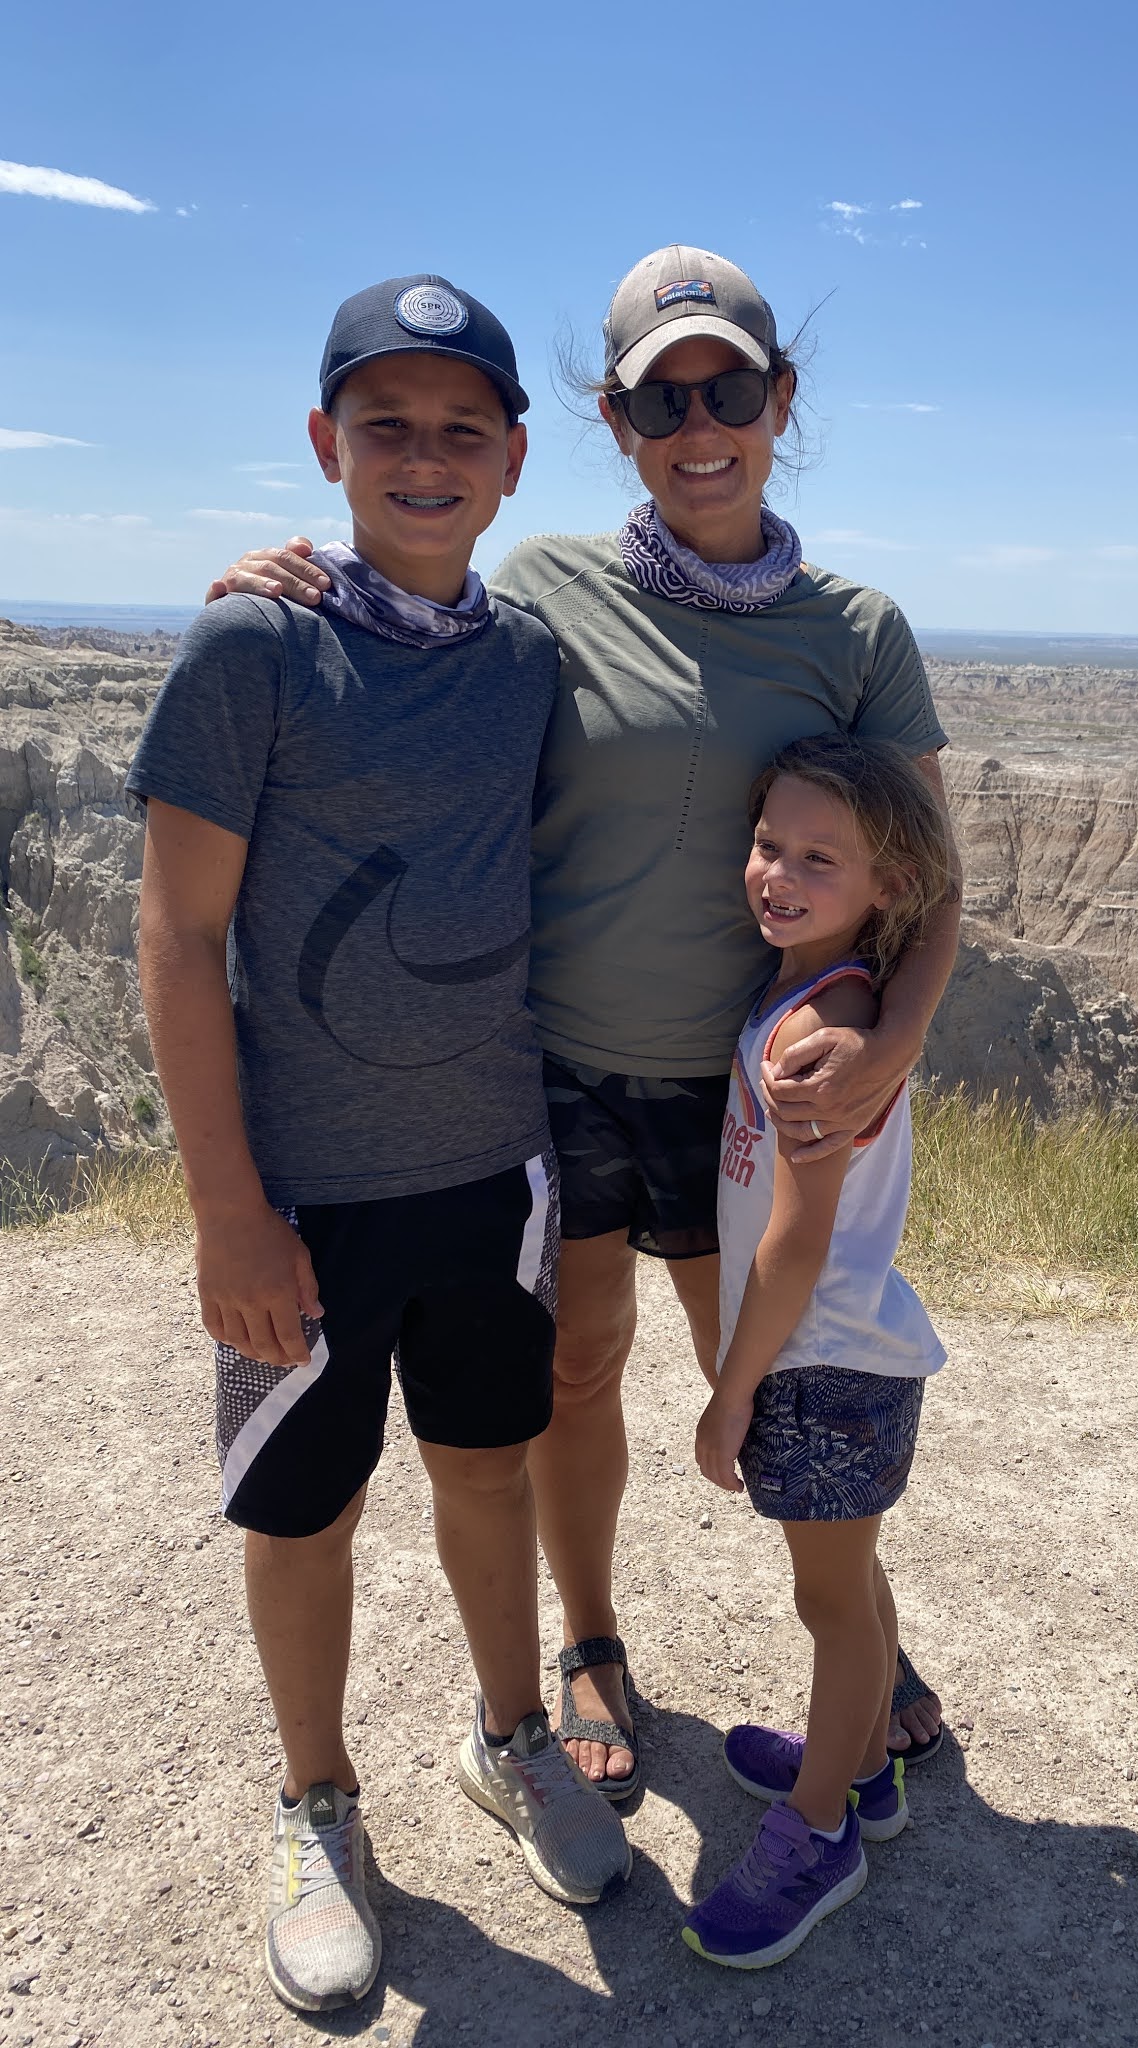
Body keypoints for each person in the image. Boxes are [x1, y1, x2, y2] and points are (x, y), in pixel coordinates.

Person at [207, 244, 958, 1796]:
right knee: (576, 1368)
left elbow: (930, 878)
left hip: (742, 1077)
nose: (700, 428)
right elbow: (406, 616)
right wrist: (282, 584)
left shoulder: (856, 629)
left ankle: (863, 1643)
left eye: (727, 391)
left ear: (780, 400)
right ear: (614, 423)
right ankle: (591, 1642)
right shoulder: (548, 587)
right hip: (552, 1065)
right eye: (659, 401)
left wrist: (892, 1045)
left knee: (775, 1365)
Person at [130, 275, 629, 2017]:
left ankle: (511, 1738)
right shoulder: (253, 649)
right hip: (307, 1194)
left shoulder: (526, 662)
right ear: (326, 444)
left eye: (461, 430)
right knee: (306, 1508)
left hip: (492, 1173)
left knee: (487, 1466)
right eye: (387, 427)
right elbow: (178, 936)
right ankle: (318, 1805)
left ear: (512, 463)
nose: (426, 458)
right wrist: (227, 1214)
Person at [685, 733, 949, 1967]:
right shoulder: (817, 995)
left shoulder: (816, 1031)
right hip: (841, 1356)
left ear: (885, 886)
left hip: (822, 1361)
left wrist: (730, 1389)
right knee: (851, 1579)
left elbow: (793, 1244)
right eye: (768, 844)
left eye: (818, 859)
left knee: (831, 1606)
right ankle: (862, 1766)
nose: (778, 874)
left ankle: (821, 1828)